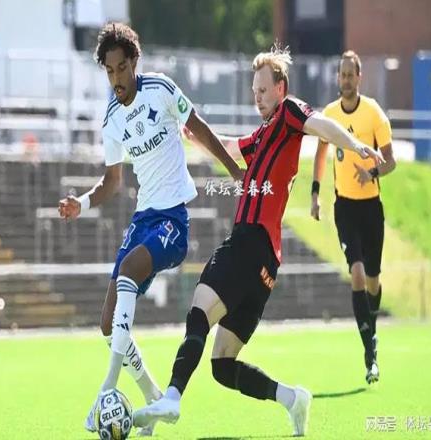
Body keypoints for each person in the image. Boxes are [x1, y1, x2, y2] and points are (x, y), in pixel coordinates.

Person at [132, 44, 383, 437]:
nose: (258, 97)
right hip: (266, 263)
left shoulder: (289, 113)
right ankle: (292, 399)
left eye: (263, 90)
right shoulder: (264, 134)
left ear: (281, 88)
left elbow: (321, 125)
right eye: (254, 91)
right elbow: (231, 147)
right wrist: (189, 134)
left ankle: (172, 397)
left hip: (249, 243)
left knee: (198, 312)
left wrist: (354, 145)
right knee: (222, 364)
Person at [58, 22, 242, 436]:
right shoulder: (111, 118)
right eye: (110, 71)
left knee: (127, 272)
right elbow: (112, 182)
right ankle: (152, 396)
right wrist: (81, 203)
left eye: (122, 68)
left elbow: (197, 126)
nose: (117, 79)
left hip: (172, 220)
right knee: (107, 324)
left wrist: (233, 170)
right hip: (142, 221)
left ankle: (107, 387)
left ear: (134, 62)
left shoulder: (160, 89)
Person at [310, 50, 396, 384]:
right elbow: (321, 152)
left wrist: (371, 172)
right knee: (357, 274)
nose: (346, 80)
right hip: (344, 207)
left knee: (373, 280)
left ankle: (371, 330)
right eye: (342, 75)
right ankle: (369, 352)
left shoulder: (374, 113)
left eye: (351, 75)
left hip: (371, 208)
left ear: (359, 77)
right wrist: (315, 193)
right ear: (338, 78)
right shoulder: (329, 114)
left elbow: (390, 161)